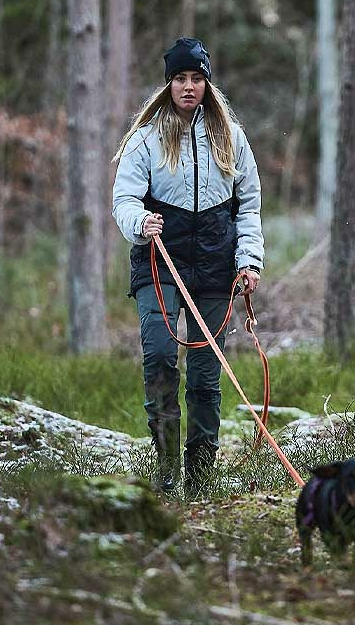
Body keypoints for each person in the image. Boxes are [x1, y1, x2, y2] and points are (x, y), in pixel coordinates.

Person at [111, 37, 264, 496]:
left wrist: (248, 260)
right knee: (159, 356)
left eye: (197, 78)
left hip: (217, 264)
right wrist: (141, 220)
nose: (189, 86)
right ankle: (166, 468)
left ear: (207, 83)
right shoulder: (146, 138)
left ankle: (199, 477)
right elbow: (123, 198)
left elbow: (249, 204)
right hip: (159, 260)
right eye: (181, 78)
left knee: (204, 374)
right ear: (169, 84)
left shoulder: (231, 138)